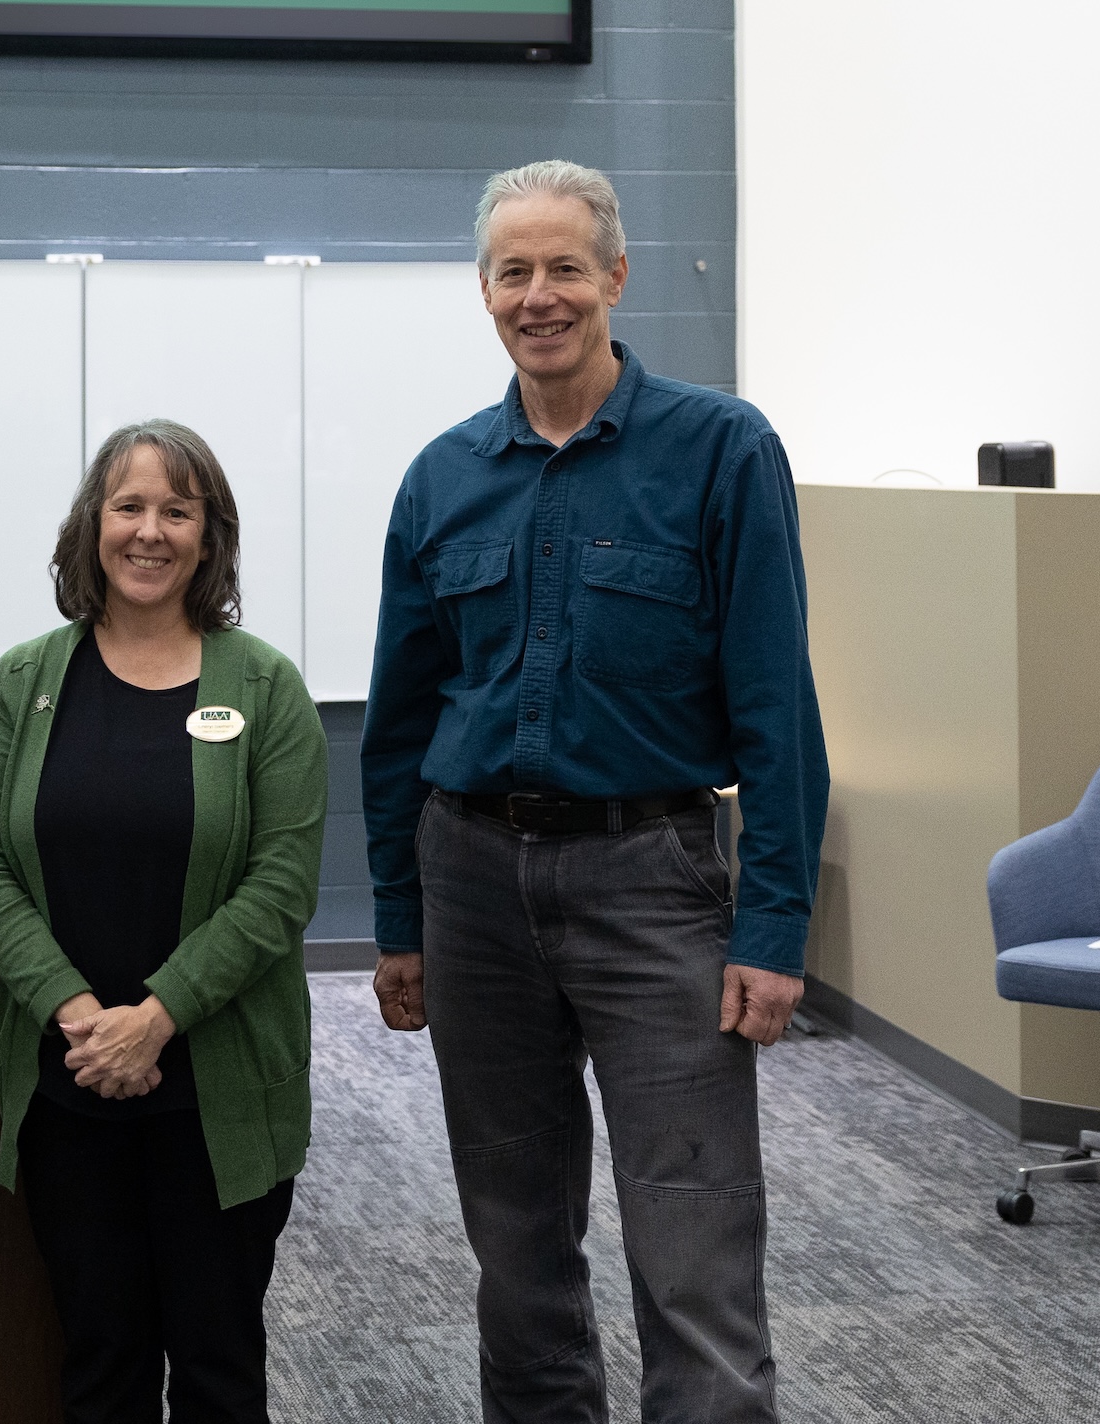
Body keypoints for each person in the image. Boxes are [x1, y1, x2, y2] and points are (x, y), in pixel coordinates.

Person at [362, 160, 830, 1424]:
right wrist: (400, 921)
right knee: (517, 1256)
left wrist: (773, 928)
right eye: (513, 271)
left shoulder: (720, 450)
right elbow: (400, 725)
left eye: (565, 266)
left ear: (615, 277)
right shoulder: (441, 476)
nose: (540, 294)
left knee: (694, 1251)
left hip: (654, 880)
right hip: (473, 886)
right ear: (485, 293)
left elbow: (780, 711)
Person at [0, 419, 327, 1424]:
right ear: (93, 525)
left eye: (177, 509)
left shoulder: (266, 687)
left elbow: (282, 882)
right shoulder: (22, 682)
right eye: (129, 506)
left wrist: (153, 1017)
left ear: (210, 536)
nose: (150, 531)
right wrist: (83, 1016)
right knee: (100, 1357)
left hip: (220, 1086)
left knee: (217, 1363)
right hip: (71, 1088)